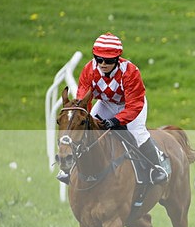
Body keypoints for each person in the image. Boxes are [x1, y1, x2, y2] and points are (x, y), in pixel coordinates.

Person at [56, 32, 168, 185]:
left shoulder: (130, 72)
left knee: (138, 132)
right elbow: (83, 99)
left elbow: (134, 105)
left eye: (108, 60)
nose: (102, 64)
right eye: (99, 59)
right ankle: (67, 168)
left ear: (117, 59)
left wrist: (116, 120)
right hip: (106, 103)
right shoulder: (89, 69)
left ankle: (157, 167)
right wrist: (81, 115)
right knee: (84, 127)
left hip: (131, 105)